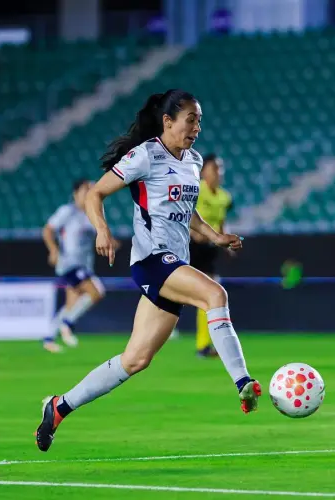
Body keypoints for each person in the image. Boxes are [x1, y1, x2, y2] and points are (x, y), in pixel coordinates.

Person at [35, 89, 260, 452]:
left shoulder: (193, 161)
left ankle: (58, 407)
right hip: (152, 261)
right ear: (167, 121)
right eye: (191, 120)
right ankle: (243, 383)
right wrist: (103, 230)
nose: (197, 128)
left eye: (199, 120)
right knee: (215, 295)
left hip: (175, 263)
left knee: (135, 359)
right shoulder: (145, 155)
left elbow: (188, 214)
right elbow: (95, 194)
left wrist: (215, 236)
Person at [41, 179, 117, 353]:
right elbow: (47, 230)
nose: (89, 193)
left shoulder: (92, 215)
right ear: (75, 194)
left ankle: (48, 338)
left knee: (72, 303)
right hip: (69, 263)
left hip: (84, 265)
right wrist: (53, 250)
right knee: (96, 292)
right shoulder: (67, 211)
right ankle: (67, 324)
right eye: (85, 190)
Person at [189, 153, 234, 358]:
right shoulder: (195, 189)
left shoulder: (224, 197)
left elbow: (222, 222)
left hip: (209, 250)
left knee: (210, 294)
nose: (219, 172)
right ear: (203, 170)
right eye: (215, 168)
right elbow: (186, 213)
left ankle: (204, 345)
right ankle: (205, 345)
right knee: (204, 293)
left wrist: (226, 243)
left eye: (220, 168)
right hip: (189, 246)